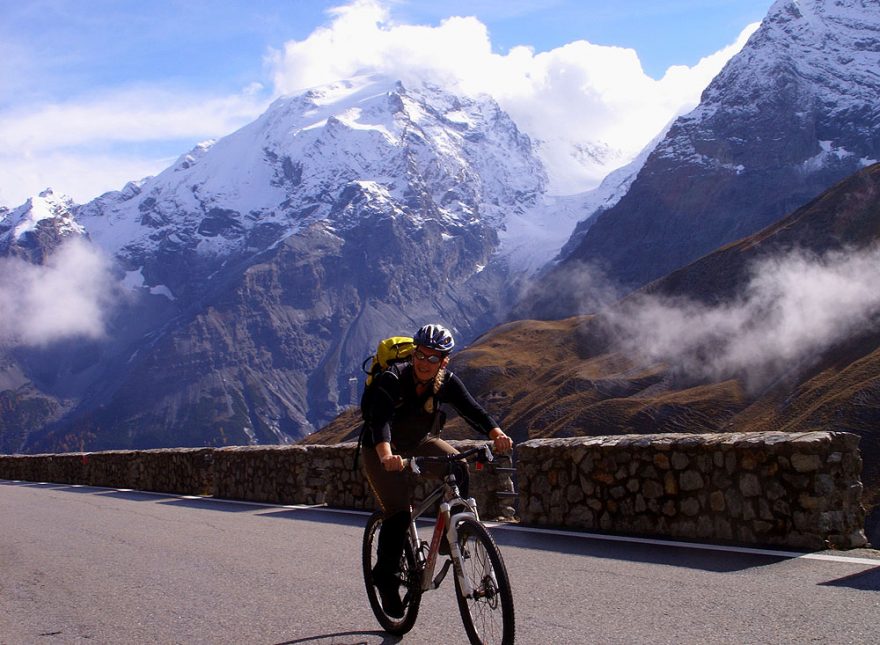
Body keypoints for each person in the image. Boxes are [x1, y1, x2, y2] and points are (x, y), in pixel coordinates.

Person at [361, 323, 513, 618]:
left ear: (444, 361)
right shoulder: (393, 379)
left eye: (433, 358)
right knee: (398, 513)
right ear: (414, 353)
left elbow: (473, 410)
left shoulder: (446, 382)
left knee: (459, 465)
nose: (424, 362)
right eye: (421, 354)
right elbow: (380, 423)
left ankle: (451, 536)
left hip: (421, 442)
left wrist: (496, 433)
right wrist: (387, 455)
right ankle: (385, 578)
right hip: (381, 449)